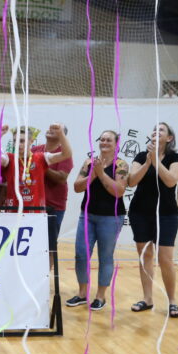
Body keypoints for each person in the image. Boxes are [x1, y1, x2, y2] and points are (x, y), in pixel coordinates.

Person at [127, 122, 178, 318]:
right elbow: (131, 181)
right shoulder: (141, 156)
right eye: (154, 129)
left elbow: (170, 181)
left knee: (165, 259)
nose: (156, 132)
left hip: (166, 214)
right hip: (140, 213)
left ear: (169, 138)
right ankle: (147, 299)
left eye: (161, 130)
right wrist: (147, 162)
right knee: (146, 256)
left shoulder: (175, 158)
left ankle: (172, 301)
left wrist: (156, 162)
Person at [68, 130, 127, 310]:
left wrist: (101, 174)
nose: (104, 142)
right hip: (87, 215)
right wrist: (93, 173)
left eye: (109, 140)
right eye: (102, 139)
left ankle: (100, 296)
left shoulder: (121, 165)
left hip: (111, 218)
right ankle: (82, 294)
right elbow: (77, 187)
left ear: (116, 144)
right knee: (81, 254)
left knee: (105, 256)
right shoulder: (89, 162)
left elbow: (119, 191)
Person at [0, 124, 73, 211]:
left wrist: (61, 134)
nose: (18, 144)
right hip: (13, 211)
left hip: (35, 212)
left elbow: (66, 154)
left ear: (31, 141)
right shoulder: (9, 158)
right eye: (15, 141)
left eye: (22, 141)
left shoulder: (41, 158)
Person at [32, 125, 74, 268]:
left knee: (49, 245)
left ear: (63, 135)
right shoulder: (35, 150)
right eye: (50, 127)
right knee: (31, 243)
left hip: (53, 206)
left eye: (56, 129)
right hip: (32, 204)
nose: (50, 129)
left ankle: (45, 281)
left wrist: (41, 165)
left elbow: (61, 178)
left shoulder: (64, 153)